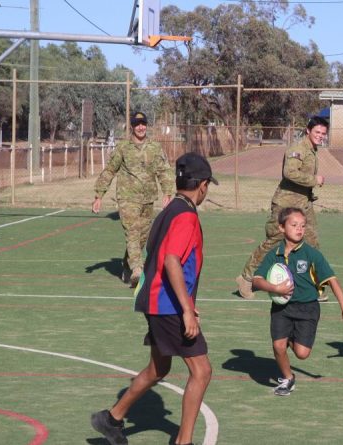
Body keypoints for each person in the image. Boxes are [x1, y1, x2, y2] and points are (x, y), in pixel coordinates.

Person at [91, 152, 217, 445]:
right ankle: (183, 442)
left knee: (159, 368)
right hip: (168, 305)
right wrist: (186, 309)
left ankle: (111, 419)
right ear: (203, 185)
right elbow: (172, 260)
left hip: (157, 301)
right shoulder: (185, 215)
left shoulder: (169, 210)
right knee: (202, 370)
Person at [252, 207, 343, 396]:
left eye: (302, 226)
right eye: (294, 225)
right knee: (278, 345)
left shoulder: (311, 254)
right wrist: (276, 289)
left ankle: (291, 336)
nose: (299, 229)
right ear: (282, 227)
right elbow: (256, 280)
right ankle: (288, 378)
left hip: (307, 309)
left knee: (302, 354)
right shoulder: (274, 254)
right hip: (281, 308)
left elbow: (332, 279)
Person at [236, 116, 329, 300]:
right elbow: (289, 172)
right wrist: (314, 180)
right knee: (274, 241)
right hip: (286, 204)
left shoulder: (312, 149)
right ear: (308, 131)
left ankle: (312, 286)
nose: (320, 136)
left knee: (311, 243)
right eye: (317, 132)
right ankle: (246, 278)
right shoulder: (298, 149)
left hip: (304, 205)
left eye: (324, 133)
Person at [92, 111, 175, 288]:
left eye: (143, 123)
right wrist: (99, 195)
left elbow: (164, 170)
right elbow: (109, 171)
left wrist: (167, 192)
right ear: (132, 127)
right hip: (127, 199)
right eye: (137, 124)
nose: (140, 127)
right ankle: (137, 269)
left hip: (148, 199)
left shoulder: (155, 147)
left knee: (141, 238)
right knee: (132, 233)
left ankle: (127, 266)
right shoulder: (123, 147)